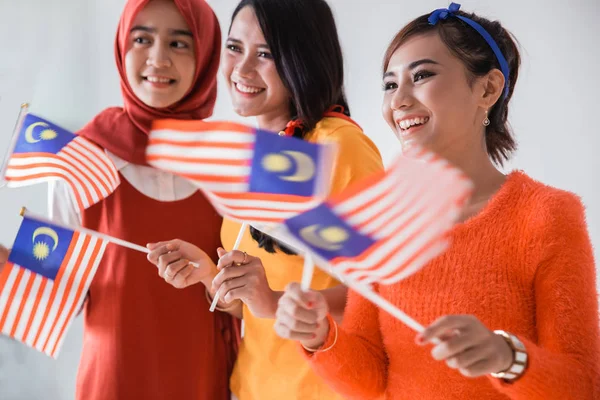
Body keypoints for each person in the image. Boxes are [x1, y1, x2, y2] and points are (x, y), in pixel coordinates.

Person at [273, 3, 600, 399]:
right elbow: (371, 382)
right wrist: (321, 337)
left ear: (487, 89)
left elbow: (582, 385)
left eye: (422, 75)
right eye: (390, 84)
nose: (398, 101)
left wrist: (507, 356)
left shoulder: (547, 216)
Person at [146, 0, 383, 399]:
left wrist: (273, 301)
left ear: (302, 59)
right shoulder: (253, 156)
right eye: (236, 48)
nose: (242, 70)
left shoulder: (341, 148)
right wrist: (210, 275)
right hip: (253, 386)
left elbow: (382, 296)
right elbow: (252, 310)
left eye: (266, 54)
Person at [48, 0, 238, 399]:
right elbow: (57, 293)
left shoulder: (231, 161)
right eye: (142, 39)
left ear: (205, 55)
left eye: (179, 43)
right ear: (122, 47)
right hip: (114, 381)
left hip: (203, 377)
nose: (158, 58)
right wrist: (14, 271)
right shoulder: (82, 158)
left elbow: (251, 295)